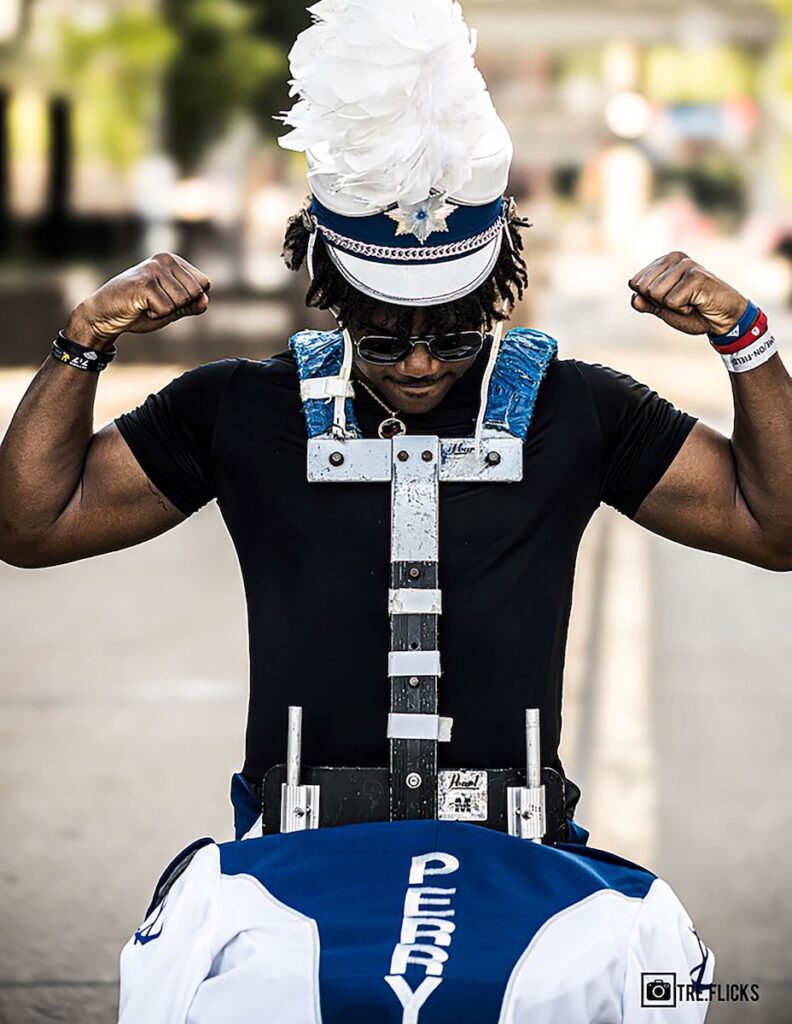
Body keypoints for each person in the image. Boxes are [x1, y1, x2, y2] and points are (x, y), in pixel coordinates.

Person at [0, 0, 790, 841]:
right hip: (297, 856)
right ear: (333, 297)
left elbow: (776, 531)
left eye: (452, 333)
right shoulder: (234, 405)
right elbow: (33, 525)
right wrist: (83, 340)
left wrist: (745, 341)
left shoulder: (581, 406)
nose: (418, 363)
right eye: (382, 336)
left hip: (514, 854)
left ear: (494, 296)